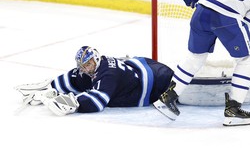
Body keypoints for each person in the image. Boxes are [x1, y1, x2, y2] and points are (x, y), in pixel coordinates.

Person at [15, 46, 174, 116]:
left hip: (157, 83)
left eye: (89, 63)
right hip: (143, 65)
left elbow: (98, 102)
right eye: (83, 65)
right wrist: (51, 87)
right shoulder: (95, 65)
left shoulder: (108, 75)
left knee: (180, 85)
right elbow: (75, 78)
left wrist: (74, 103)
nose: (86, 67)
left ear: (96, 58)